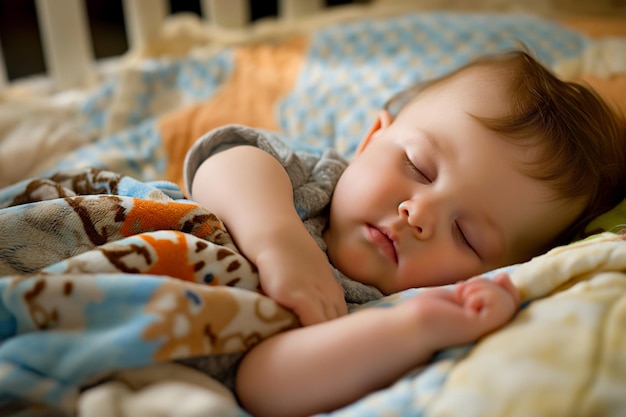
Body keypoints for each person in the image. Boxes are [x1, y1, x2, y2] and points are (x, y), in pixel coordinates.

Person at [184, 50, 626, 417]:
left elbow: (263, 384)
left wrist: (416, 329)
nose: (420, 214)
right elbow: (219, 158)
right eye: (418, 166)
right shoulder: (313, 183)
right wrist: (277, 238)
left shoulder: (388, 314)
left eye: (466, 235)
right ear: (373, 137)